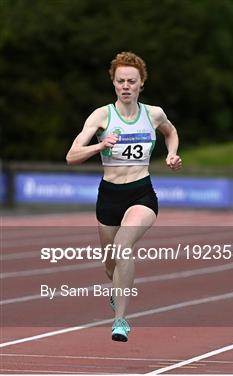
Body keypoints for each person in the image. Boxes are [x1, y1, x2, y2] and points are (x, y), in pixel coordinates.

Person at [66, 51, 181, 341]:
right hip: (109, 195)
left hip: (141, 192)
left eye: (132, 81)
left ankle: (121, 320)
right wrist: (99, 145)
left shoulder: (153, 114)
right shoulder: (102, 115)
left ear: (142, 83)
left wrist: (171, 154)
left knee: (123, 245)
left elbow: (171, 132)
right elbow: (71, 155)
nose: (126, 86)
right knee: (110, 264)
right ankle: (117, 293)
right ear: (114, 83)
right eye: (121, 81)